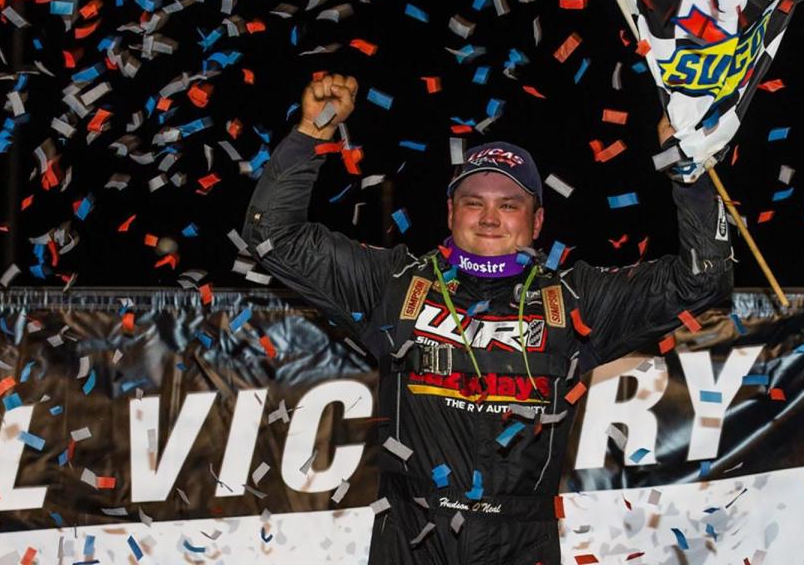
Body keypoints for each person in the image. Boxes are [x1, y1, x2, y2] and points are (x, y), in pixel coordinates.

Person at [242, 73, 733, 564]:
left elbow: (703, 279)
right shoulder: (394, 284)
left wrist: (686, 173)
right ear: (451, 212)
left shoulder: (576, 297)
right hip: (413, 538)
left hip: (521, 541)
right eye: (474, 203)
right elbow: (272, 237)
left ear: (537, 220)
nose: (490, 218)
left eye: (509, 205)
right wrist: (312, 131)